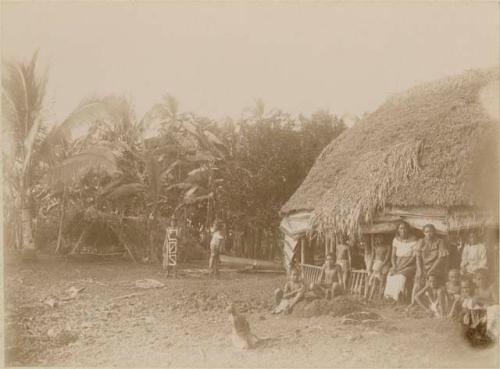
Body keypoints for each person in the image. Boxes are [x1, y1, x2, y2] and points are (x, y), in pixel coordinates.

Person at [383, 221, 418, 303]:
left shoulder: (414, 239)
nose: (403, 230)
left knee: (399, 276)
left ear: (408, 229)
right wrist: (395, 266)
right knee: (390, 275)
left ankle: (398, 299)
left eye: (405, 228)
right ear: (398, 230)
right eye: (401, 228)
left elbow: (413, 257)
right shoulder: (396, 240)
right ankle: (390, 297)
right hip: (398, 263)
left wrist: (401, 268)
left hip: (410, 264)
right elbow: (393, 256)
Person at [414, 224, 449, 303]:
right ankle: (413, 302)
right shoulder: (421, 241)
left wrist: (431, 270)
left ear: (434, 232)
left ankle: (430, 302)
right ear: (423, 233)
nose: (429, 233)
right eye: (427, 232)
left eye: (431, 231)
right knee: (417, 280)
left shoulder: (440, 242)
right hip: (423, 266)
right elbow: (418, 257)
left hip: (436, 267)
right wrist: (419, 269)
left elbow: (441, 258)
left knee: (430, 281)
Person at [366, 235, 392, 299]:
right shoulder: (376, 247)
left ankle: (380, 296)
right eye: (377, 239)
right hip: (376, 264)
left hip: (384, 264)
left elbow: (387, 258)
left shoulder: (388, 246)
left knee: (382, 280)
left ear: (384, 238)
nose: (379, 240)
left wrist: (381, 266)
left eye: (381, 238)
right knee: (374, 280)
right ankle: (370, 296)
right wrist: (370, 266)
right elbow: (372, 257)